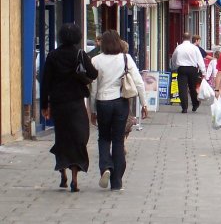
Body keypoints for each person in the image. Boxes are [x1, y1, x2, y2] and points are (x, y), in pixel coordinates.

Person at [40, 23, 98, 192]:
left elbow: (45, 82)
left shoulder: (52, 56)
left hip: (59, 104)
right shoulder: (80, 54)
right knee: (79, 138)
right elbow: (93, 74)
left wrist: (45, 105)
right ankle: (74, 178)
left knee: (63, 138)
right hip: (76, 103)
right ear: (78, 37)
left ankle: (62, 174)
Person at [90, 30, 148, 191]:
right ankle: (117, 182)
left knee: (103, 138)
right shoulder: (125, 58)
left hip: (102, 102)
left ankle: (106, 167)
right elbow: (138, 82)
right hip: (120, 102)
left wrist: (93, 110)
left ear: (102, 43)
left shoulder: (95, 60)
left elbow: (93, 88)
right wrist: (144, 104)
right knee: (118, 140)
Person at [171, 32, 206, 113]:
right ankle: (195, 104)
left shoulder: (178, 48)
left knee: (182, 88)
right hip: (192, 69)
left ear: (182, 38)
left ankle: (184, 107)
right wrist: (203, 72)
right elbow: (200, 60)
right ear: (190, 38)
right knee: (193, 87)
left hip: (182, 69)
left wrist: (175, 67)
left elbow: (174, 58)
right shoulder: (194, 48)